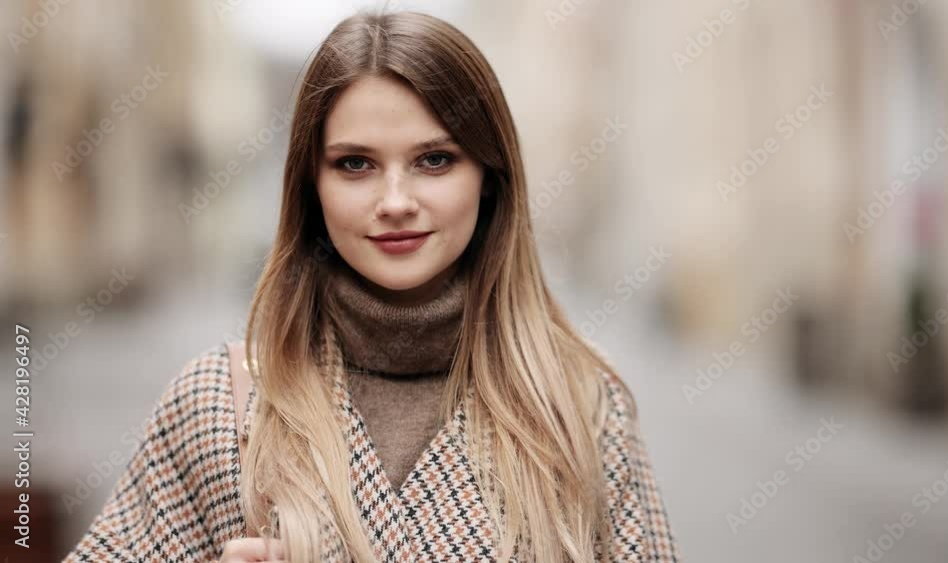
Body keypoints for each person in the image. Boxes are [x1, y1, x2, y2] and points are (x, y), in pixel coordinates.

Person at [63, 10, 679, 563]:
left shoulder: (582, 410)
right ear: (312, 186)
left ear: (489, 177)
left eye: (434, 160)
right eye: (355, 163)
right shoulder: (216, 407)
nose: (395, 202)